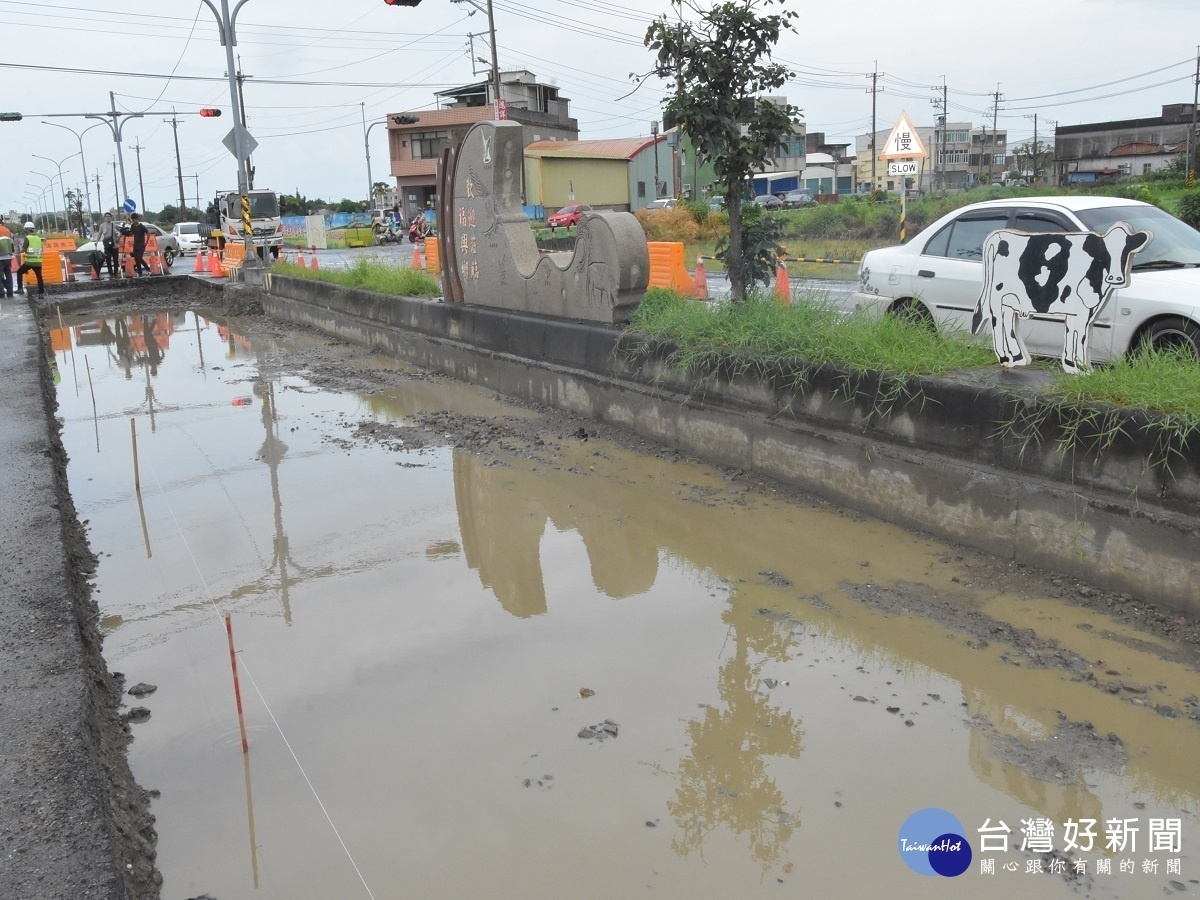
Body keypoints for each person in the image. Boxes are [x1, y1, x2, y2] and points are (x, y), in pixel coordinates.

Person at [15, 222, 43, 297]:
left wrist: (21, 251)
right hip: (38, 261)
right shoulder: (38, 238)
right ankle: (41, 293)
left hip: (30, 262)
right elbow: (40, 249)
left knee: (19, 272)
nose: (25, 231)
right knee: (39, 277)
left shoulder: (28, 238)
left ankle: (20, 289)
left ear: (28, 229)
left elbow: (23, 250)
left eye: (25, 229)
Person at [98, 212, 120, 279]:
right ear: (104, 218)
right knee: (108, 259)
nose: (108, 218)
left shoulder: (115, 225)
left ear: (111, 217)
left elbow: (120, 232)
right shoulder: (102, 226)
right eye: (106, 216)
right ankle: (111, 273)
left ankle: (115, 273)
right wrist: (96, 241)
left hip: (114, 245)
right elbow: (99, 234)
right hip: (107, 246)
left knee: (115, 259)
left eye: (109, 216)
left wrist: (118, 239)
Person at [0, 225, 14, 299]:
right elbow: (12, 244)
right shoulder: (7, 230)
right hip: (8, 256)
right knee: (8, 273)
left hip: (0, 256)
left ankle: (1, 292)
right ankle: (10, 291)